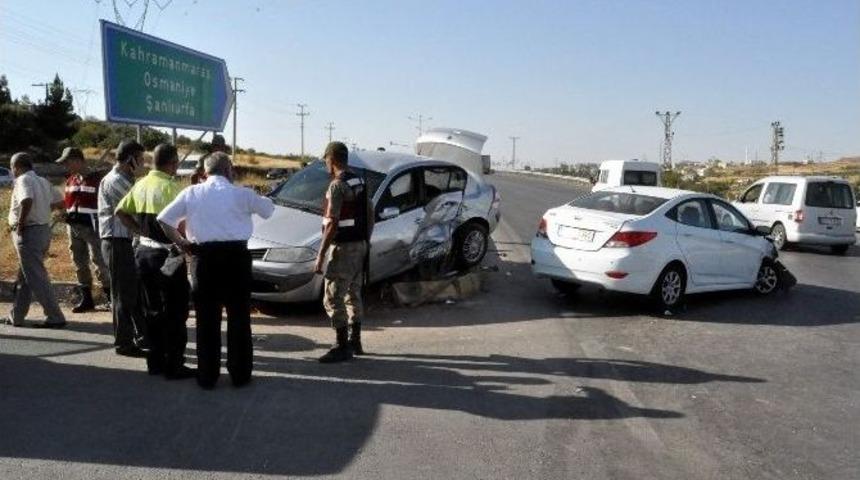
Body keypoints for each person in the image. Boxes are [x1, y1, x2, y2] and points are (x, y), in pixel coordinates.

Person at [158, 152, 274, 389]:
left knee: (206, 319)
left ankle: (207, 376)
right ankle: (240, 375)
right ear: (230, 170)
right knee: (239, 317)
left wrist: (182, 243)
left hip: (204, 259)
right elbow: (268, 210)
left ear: (204, 172)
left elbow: (164, 219)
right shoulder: (243, 194)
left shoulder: (191, 192)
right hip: (237, 259)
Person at [115, 143, 193, 379]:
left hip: (143, 255)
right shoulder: (172, 188)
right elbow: (180, 225)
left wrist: (139, 230)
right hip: (167, 256)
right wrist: (186, 244)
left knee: (152, 310)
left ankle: (155, 362)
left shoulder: (140, 184)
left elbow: (120, 211)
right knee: (177, 311)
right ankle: (174, 366)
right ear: (174, 163)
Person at [313, 141, 374, 363]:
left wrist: (321, 254)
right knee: (352, 293)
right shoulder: (359, 180)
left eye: (326, 160)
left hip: (345, 248)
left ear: (332, 159)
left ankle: (342, 346)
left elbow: (331, 223)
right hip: (360, 245)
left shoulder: (336, 186)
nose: (325, 164)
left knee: (332, 297)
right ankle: (355, 341)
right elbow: (370, 213)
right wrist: (366, 240)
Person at [3, 152, 66, 329]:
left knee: (37, 277)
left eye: (12, 166)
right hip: (42, 231)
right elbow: (61, 202)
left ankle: (55, 316)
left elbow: (26, 200)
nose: (12, 170)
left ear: (17, 166)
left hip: (29, 232)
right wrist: (44, 210)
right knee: (25, 276)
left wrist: (21, 224)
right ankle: (17, 316)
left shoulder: (23, 180)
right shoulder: (43, 181)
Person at [98, 140, 147, 357]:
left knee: (132, 293)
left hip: (123, 242)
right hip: (116, 242)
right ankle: (124, 343)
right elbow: (135, 206)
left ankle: (140, 335)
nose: (143, 163)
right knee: (123, 295)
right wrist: (142, 231)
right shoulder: (117, 181)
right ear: (130, 160)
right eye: (141, 159)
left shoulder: (124, 179)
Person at [56, 147, 110, 313]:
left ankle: (111, 298)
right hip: (73, 226)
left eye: (68, 162)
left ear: (78, 160)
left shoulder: (97, 179)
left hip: (93, 227)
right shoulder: (71, 180)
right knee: (79, 262)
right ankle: (86, 299)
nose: (66, 166)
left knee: (99, 261)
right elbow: (68, 203)